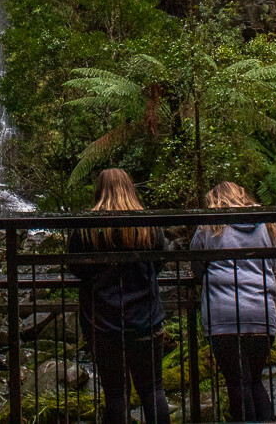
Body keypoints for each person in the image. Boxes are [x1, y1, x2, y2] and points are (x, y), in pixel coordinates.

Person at [67, 168, 171, 424]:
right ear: (130, 187)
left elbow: (76, 267)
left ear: (99, 190)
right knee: (152, 388)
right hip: (146, 320)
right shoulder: (147, 226)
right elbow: (159, 263)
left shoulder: (87, 228)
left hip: (103, 323)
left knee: (115, 394)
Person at [190, 181, 276, 422]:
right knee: (254, 380)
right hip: (262, 312)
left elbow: (196, 264)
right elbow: (274, 264)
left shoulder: (210, 225)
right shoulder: (266, 225)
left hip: (224, 315)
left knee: (237, 383)